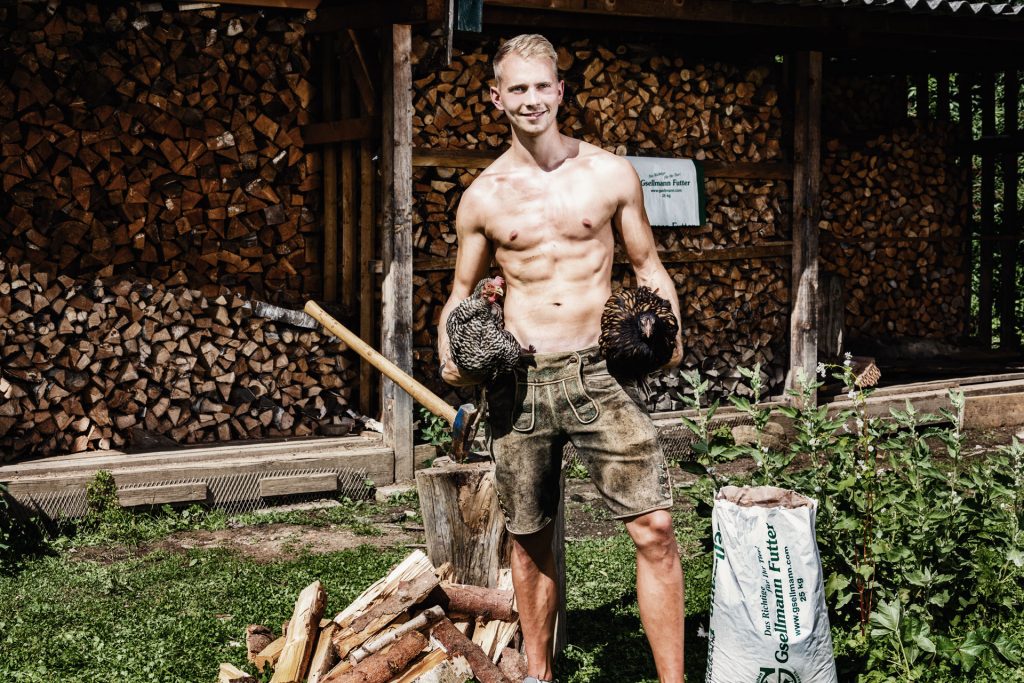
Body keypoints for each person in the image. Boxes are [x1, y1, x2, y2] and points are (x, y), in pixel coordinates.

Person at [437, 34, 686, 683]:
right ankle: (540, 674)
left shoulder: (609, 174)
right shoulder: (483, 196)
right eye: (517, 88)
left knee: (655, 526)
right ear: (497, 98)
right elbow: (460, 294)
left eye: (542, 85)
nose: (532, 99)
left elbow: (647, 265)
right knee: (529, 539)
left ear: (560, 91)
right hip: (520, 381)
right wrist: (451, 359)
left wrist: (672, 335)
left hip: (600, 374)